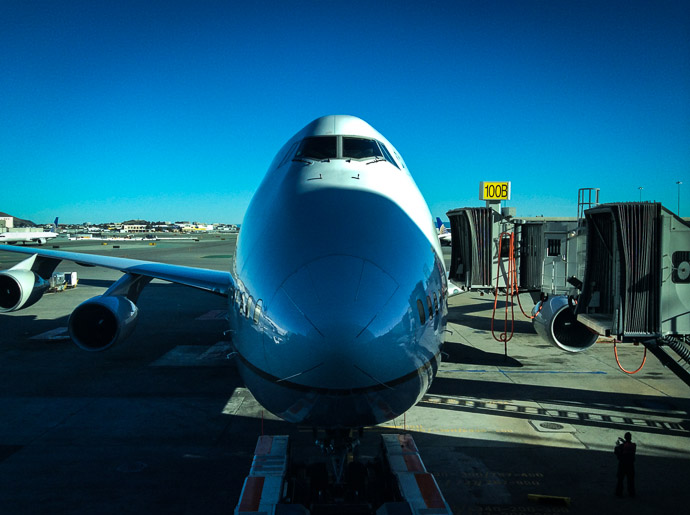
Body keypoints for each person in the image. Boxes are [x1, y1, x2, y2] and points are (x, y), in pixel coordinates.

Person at [614, 432, 636, 497]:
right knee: (630, 480)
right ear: (630, 438)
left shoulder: (621, 446)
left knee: (620, 479)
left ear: (625, 437)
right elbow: (628, 445)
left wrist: (617, 445)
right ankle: (631, 493)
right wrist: (623, 441)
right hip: (630, 465)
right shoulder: (633, 445)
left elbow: (616, 452)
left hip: (622, 464)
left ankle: (619, 493)